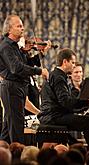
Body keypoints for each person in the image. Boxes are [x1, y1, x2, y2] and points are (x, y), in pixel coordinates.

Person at [38, 48, 89, 149]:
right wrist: (88, 101)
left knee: (87, 121)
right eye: (72, 62)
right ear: (65, 62)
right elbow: (66, 102)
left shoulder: (55, 75)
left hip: (51, 115)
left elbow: (65, 102)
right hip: (54, 117)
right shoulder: (59, 77)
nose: (74, 65)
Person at [0, 14, 49, 144]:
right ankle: (18, 158)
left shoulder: (16, 46)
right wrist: (40, 71)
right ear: (9, 29)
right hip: (12, 87)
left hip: (18, 87)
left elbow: (28, 64)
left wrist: (41, 54)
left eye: (22, 26)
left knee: (8, 128)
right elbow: (16, 68)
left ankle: (4, 154)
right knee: (17, 128)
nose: (23, 28)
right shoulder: (6, 46)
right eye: (19, 26)